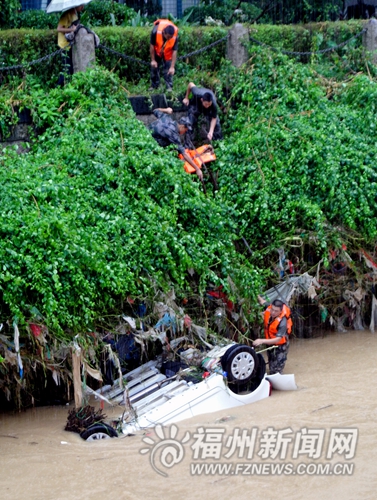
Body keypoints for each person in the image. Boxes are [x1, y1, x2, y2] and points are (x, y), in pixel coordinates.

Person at [149, 108, 203, 180]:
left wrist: (166, 110)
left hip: (146, 133)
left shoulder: (167, 117)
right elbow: (184, 154)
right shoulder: (174, 135)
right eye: (185, 130)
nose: (184, 133)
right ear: (182, 126)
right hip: (151, 143)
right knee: (173, 148)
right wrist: (197, 169)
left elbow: (155, 110)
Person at [253, 296, 292, 374]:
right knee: (271, 365)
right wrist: (256, 295)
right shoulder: (269, 308)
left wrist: (262, 341)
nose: (273, 312)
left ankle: (278, 375)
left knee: (276, 371)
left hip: (280, 346)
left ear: (281, 311)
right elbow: (262, 301)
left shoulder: (282, 322)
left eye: (276, 311)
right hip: (270, 343)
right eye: (272, 310)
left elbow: (278, 339)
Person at [56, 5, 85, 86]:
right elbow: (59, 28)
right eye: (81, 5)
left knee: (71, 69)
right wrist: (71, 29)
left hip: (71, 44)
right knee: (67, 70)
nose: (83, 7)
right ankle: (57, 87)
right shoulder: (66, 14)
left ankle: (66, 87)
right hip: (64, 45)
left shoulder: (75, 14)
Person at [150, 19, 178, 92]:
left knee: (168, 69)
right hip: (157, 49)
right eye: (168, 37)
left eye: (170, 37)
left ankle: (169, 86)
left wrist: (172, 67)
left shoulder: (174, 36)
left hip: (168, 52)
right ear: (163, 33)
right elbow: (152, 46)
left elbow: (174, 51)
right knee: (154, 67)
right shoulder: (155, 31)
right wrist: (153, 60)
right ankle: (154, 86)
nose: (169, 39)